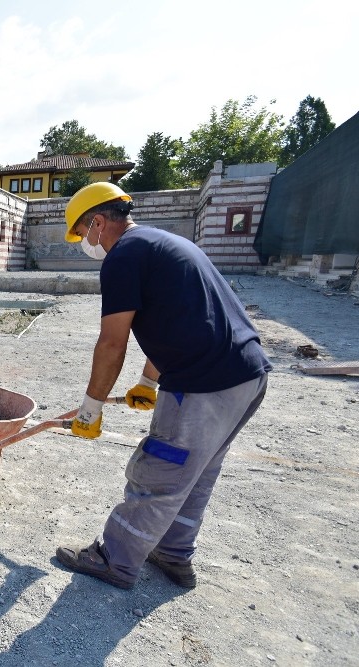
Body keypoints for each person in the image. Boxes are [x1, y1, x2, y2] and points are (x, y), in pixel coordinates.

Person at [54, 182, 271, 590]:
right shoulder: (165, 243)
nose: (85, 242)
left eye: (83, 232)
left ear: (98, 222)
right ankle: (172, 554)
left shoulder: (123, 257)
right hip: (247, 376)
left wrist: (90, 409)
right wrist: (147, 382)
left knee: (161, 470)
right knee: (198, 472)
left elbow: (112, 342)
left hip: (203, 383)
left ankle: (115, 559)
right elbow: (178, 319)